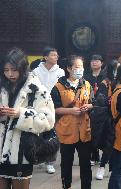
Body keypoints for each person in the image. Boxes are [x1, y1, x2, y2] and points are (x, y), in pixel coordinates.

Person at [0, 48, 55, 189]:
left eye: (14, 70)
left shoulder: (37, 90)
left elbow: (48, 121)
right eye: (6, 70)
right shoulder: (2, 88)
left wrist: (21, 115)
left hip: (21, 155)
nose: (10, 74)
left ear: (23, 68)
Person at [51, 55, 93, 189]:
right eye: (77, 67)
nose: (80, 70)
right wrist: (70, 111)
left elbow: (93, 102)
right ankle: (66, 185)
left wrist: (90, 106)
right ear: (69, 68)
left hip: (84, 131)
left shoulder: (86, 84)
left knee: (86, 163)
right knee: (66, 162)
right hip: (67, 130)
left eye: (81, 67)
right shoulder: (58, 87)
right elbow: (54, 109)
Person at [33, 46, 65, 174]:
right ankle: (36, 157)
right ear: (45, 57)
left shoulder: (60, 72)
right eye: (53, 55)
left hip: (53, 107)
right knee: (36, 134)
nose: (56, 57)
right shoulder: (36, 71)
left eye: (56, 55)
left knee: (51, 135)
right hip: (38, 106)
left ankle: (50, 162)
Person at [92, 59, 120, 180]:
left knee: (116, 144)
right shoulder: (106, 83)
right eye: (116, 69)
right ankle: (102, 166)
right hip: (107, 117)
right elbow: (100, 99)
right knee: (108, 142)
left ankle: (112, 167)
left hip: (119, 117)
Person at [84, 54, 106, 165]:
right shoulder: (86, 77)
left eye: (97, 60)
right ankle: (94, 155)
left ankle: (104, 155)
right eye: (92, 60)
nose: (94, 62)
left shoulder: (105, 77)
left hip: (102, 107)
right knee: (90, 131)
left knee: (101, 131)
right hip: (88, 106)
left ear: (101, 63)